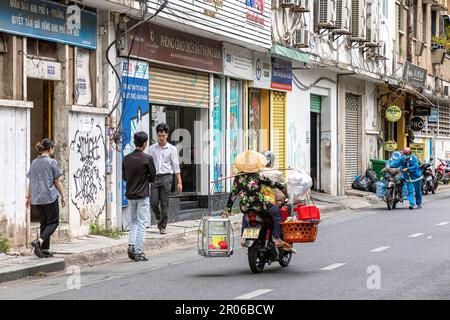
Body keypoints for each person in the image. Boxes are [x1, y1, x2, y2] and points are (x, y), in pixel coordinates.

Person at [222, 150, 291, 250]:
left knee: (246, 215)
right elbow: (272, 184)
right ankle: (276, 238)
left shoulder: (238, 177)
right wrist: (283, 187)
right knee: (276, 213)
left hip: (245, 206)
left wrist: (227, 210)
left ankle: (244, 237)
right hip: (259, 205)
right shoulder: (257, 175)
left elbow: (233, 194)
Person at [26, 139, 66, 258]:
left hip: (37, 199)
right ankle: (39, 241)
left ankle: (45, 249)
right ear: (49, 149)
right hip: (49, 196)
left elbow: (30, 181)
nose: (53, 150)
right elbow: (57, 181)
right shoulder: (51, 162)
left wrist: (28, 196)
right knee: (54, 222)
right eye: (53, 148)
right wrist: (63, 195)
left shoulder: (34, 162)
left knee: (44, 223)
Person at [123, 131, 156, 261]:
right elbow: (153, 177)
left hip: (130, 194)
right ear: (144, 143)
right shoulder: (147, 158)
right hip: (142, 195)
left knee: (134, 220)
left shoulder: (126, 158)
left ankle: (131, 245)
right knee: (142, 222)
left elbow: (124, 177)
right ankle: (138, 251)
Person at [148, 123, 182, 235]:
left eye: (163, 135)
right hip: (154, 178)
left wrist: (179, 182)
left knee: (164, 203)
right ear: (157, 135)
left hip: (167, 177)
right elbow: (149, 164)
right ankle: (159, 217)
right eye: (159, 135)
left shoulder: (172, 149)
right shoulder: (152, 148)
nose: (161, 138)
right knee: (153, 202)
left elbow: (175, 166)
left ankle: (162, 226)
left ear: (167, 135)